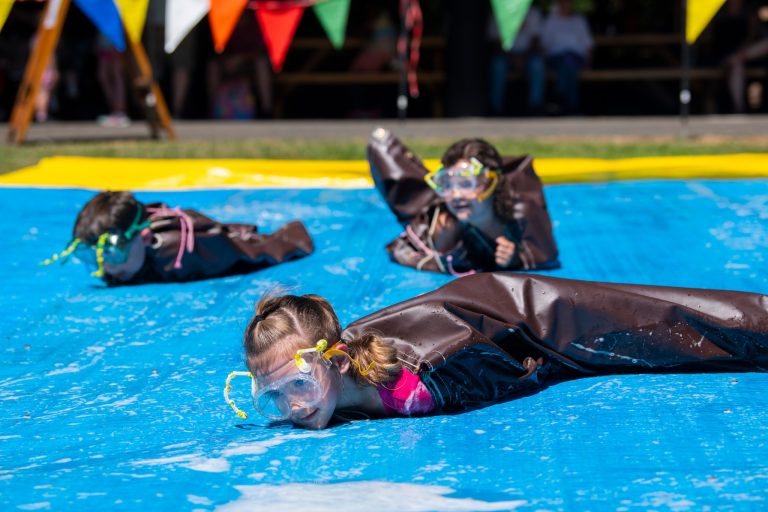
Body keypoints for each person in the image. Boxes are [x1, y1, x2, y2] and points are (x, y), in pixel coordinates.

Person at [225, 272, 768, 430]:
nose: (293, 405)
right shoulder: (335, 377)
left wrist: (543, 364)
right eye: (271, 395)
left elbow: (505, 361)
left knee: (664, 326)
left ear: (338, 361)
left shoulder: (417, 385)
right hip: (483, 310)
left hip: (534, 320)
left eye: (297, 382)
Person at [367, 127, 559, 275]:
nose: (456, 194)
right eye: (447, 184)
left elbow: (546, 256)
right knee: (380, 148)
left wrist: (516, 258)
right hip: (431, 209)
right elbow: (402, 250)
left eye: (466, 183)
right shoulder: (439, 217)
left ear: (490, 183)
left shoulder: (521, 212)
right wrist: (442, 244)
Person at [41, 191, 314, 285]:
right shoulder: (125, 261)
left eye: (112, 253)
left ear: (145, 237)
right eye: (92, 257)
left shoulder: (178, 254)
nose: (107, 268)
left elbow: (242, 250)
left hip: (213, 242)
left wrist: (290, 242)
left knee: (245, 246)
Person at [540, 0, 593, 114]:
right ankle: (572, 106)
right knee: (568, 64)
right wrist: (543, 63)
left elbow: (588, 44)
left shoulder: (579, 21)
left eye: (568, 2)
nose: (566, 4)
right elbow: (544, 45)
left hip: (576, 57)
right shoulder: (551, 21)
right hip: (555, 58)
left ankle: (559, 99)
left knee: (569, 63)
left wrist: (588, 62)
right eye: (563, 2)